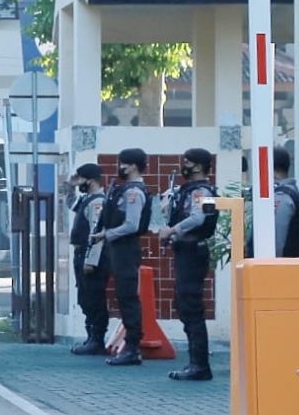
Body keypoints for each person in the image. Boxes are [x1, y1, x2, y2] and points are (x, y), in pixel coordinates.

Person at [158, 148, 219, 381]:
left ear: (201, 166)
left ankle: (200, 365)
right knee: (185, 305)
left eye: (189, 162)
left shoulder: (201, 191)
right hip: (186, 250)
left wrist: (173, 230)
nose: (185, 165)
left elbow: (198, 218)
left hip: (193, 251)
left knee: (191, 306)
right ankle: (196, 363)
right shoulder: (187, 190)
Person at [88, 148, 152, 367]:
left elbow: (132, 225)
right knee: (123, 296)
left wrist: (107, 234)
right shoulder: (124, 189)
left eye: (123, 163)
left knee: (128, 297)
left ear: (133, 165)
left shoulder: (134, 192)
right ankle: (130, 346)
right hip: (119, 248)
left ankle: (133, 347)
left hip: (125, 248)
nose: (120, 167)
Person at [69, 163, 107, 355]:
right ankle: (90, 337)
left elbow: (96, 232)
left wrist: (91, 260)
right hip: (80, 254)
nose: (79, 183)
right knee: (84, 297)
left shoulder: (97, 202)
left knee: (93, 298)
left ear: (90, 180)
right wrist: (69, 185)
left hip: (88, 256)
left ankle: (96, 339)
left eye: (81, 179)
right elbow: (70, 205)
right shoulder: (86, 199)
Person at [273, 146, 299, 258]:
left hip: (279, 269)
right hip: (291, 267)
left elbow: (278, 242)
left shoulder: (282, 197)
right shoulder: (294, 193)